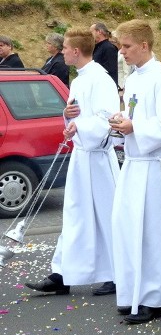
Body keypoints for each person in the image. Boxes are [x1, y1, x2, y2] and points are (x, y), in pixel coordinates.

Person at [25, 28, 120, 297]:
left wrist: (80, 126)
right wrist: (69, 118)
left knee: (106, 216)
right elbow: (78, 115)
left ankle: (116, 272)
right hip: (81, 157)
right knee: (75, 216)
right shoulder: (79, 81)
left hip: (99, 160)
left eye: (65, 47)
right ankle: (62, 274)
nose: (62, 51)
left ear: (76, 51)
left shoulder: (101, 80)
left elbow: (107, 120)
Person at [109, 19, 161, 324]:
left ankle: (153, 297)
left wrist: (134, 127)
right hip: (134, 165)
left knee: (152, 233)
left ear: (144, 45)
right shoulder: (136, 77)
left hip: (154, 167)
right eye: (120, 47)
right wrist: (120, 121)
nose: (122, 53)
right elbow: (135, 115)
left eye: (126, 46)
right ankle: (132, 293)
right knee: (128, 229)